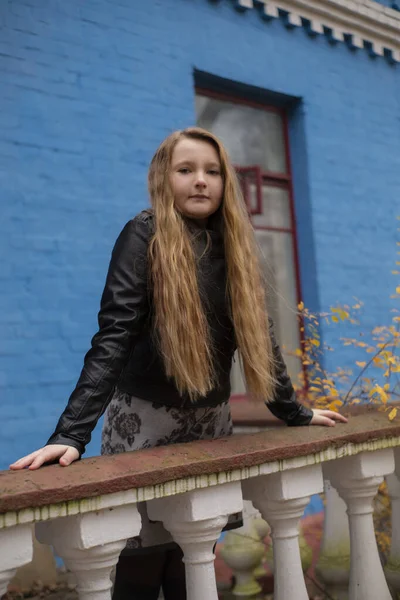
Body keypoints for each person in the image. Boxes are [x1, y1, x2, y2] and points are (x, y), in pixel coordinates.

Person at [11, 127, 347, 599]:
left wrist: (294, 411)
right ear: (162, 178)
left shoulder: (235, 246)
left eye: (212, 171)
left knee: (194, 563)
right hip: (142, 424)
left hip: (211, 425)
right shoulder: (143, 234)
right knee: (141, 567)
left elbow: (260, 341)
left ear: (226, 182)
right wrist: (71, 433)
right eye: (185, 170)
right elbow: (115, 335)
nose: (201, 181)